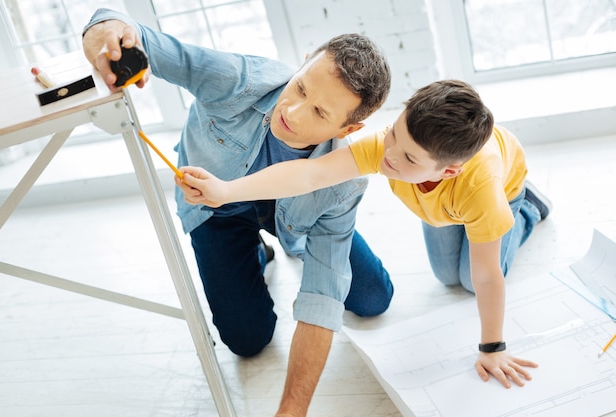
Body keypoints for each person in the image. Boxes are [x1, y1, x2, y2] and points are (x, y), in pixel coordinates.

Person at [82, 8, 394, 417]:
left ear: (347, 130)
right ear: (301, 64)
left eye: (320, 113)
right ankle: (257, 253)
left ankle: (294, 243)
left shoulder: (345, 180)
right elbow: (139, 37)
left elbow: (322, 296)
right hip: (218, 210)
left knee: (373, 298)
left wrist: (292, 410)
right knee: (248, 341)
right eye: (300, 88)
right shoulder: (238, 78)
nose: (293, 113)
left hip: (293, 216)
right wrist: (105, 34)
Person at [179, 79, 553, 389]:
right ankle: (458, 211)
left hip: (497, 193)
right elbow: (310, 175)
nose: (389, 157)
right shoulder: (391, 148)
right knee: (446, 274)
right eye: (394, 134)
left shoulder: (482, 193)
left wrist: (492, 347)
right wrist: (226, 191)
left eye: (408, 159)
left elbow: (488, 276)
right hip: (441, 208)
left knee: (470, 282)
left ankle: (528, 209)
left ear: (447, 172)